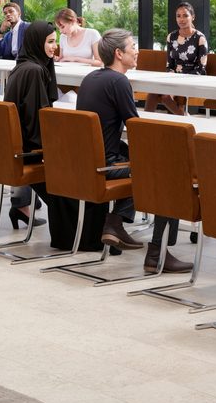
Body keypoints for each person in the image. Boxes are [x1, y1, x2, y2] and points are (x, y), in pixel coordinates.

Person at [75, 28, 193, 273]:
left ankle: (115, 222)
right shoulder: (118, 81)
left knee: (146, 162)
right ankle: (156, 253)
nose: (137, 51)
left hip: (89, 163)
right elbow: (135, 126)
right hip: (108, 166)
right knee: (170, 176)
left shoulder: (90, 79)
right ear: (119, 54)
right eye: (132, 47)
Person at [4, 22, 67, 239]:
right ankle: (76, 234)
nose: (54, 47)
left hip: (18, 148)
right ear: (36, 43)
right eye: (50, 42)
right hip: (30, 153)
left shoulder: (21, 67)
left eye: (55, 41)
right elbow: (36, 122)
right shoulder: (34, 71)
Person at [148, 1, 209, 115]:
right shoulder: (171, 37)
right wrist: (172, 76)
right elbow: (169, 64)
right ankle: (142, 126)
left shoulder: (200, 38)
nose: (181, 19)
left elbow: (201, 68)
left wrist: (181, 78)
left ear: (193, 17)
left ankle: (183, 118)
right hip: (174, 77)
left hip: (193, 77)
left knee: (165, 97)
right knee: (152, 93)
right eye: (178, 16)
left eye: (185, 15)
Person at [0, 1, 28, 98]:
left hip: (23, 63)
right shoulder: (8, 35)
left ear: (19, 13)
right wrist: (1, 32)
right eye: (5, 13)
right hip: (10, 62)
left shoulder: (27, 27)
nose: (8, 14)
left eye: (11, 11)